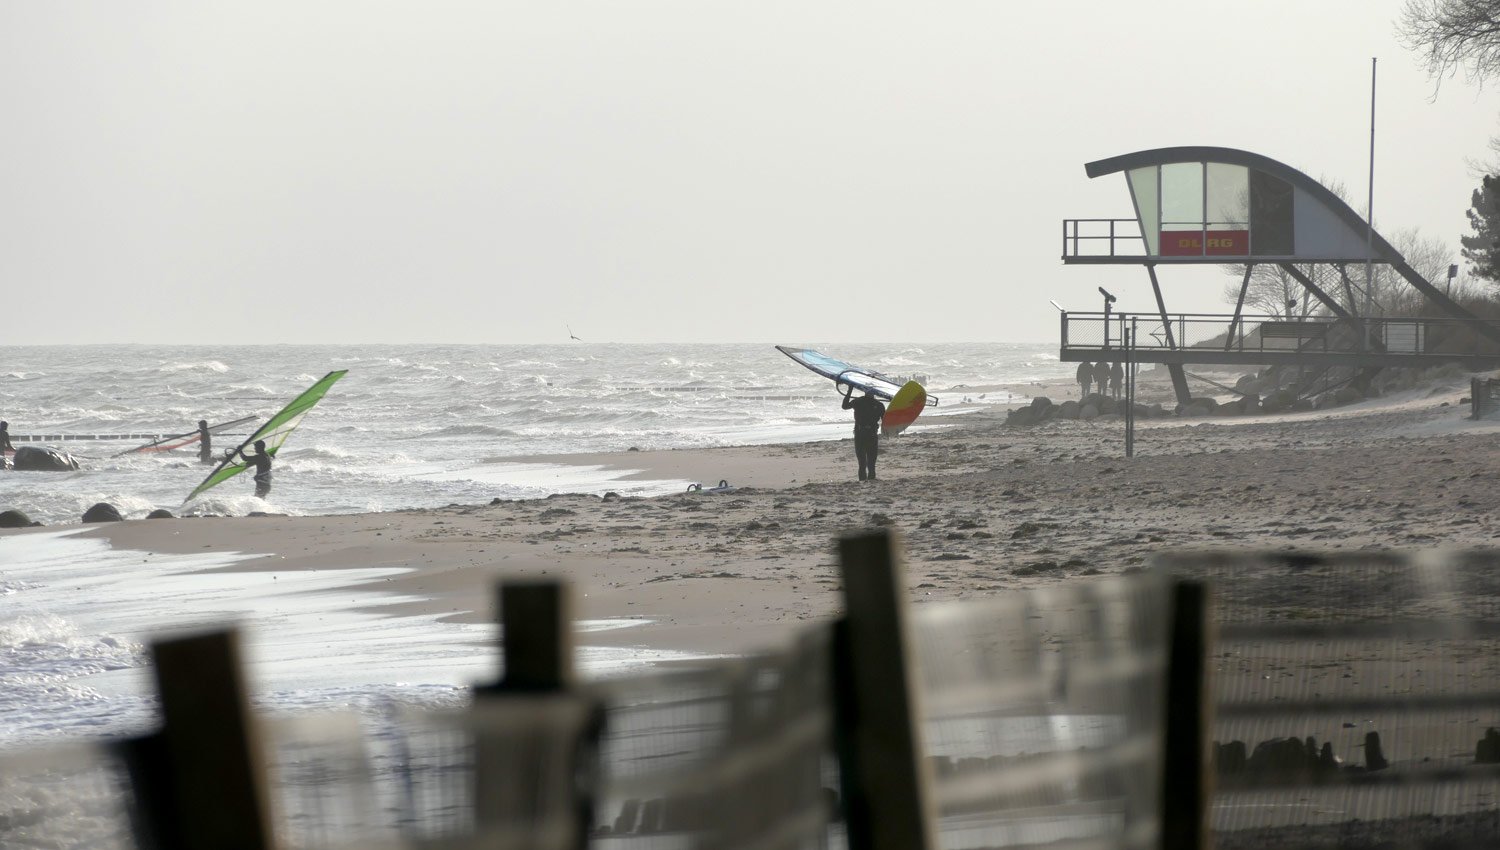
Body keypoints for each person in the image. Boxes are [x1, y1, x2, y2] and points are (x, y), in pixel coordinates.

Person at [841, 386, 885, 481]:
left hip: (866, 434)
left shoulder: (860, 401)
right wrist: (850, 391)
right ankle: (866, 482)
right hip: (865, 434)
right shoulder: (875, 404)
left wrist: (850, 390)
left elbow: (844, 406)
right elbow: (844, 406)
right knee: (864, 463)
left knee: (869, 463)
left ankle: (868, 483)